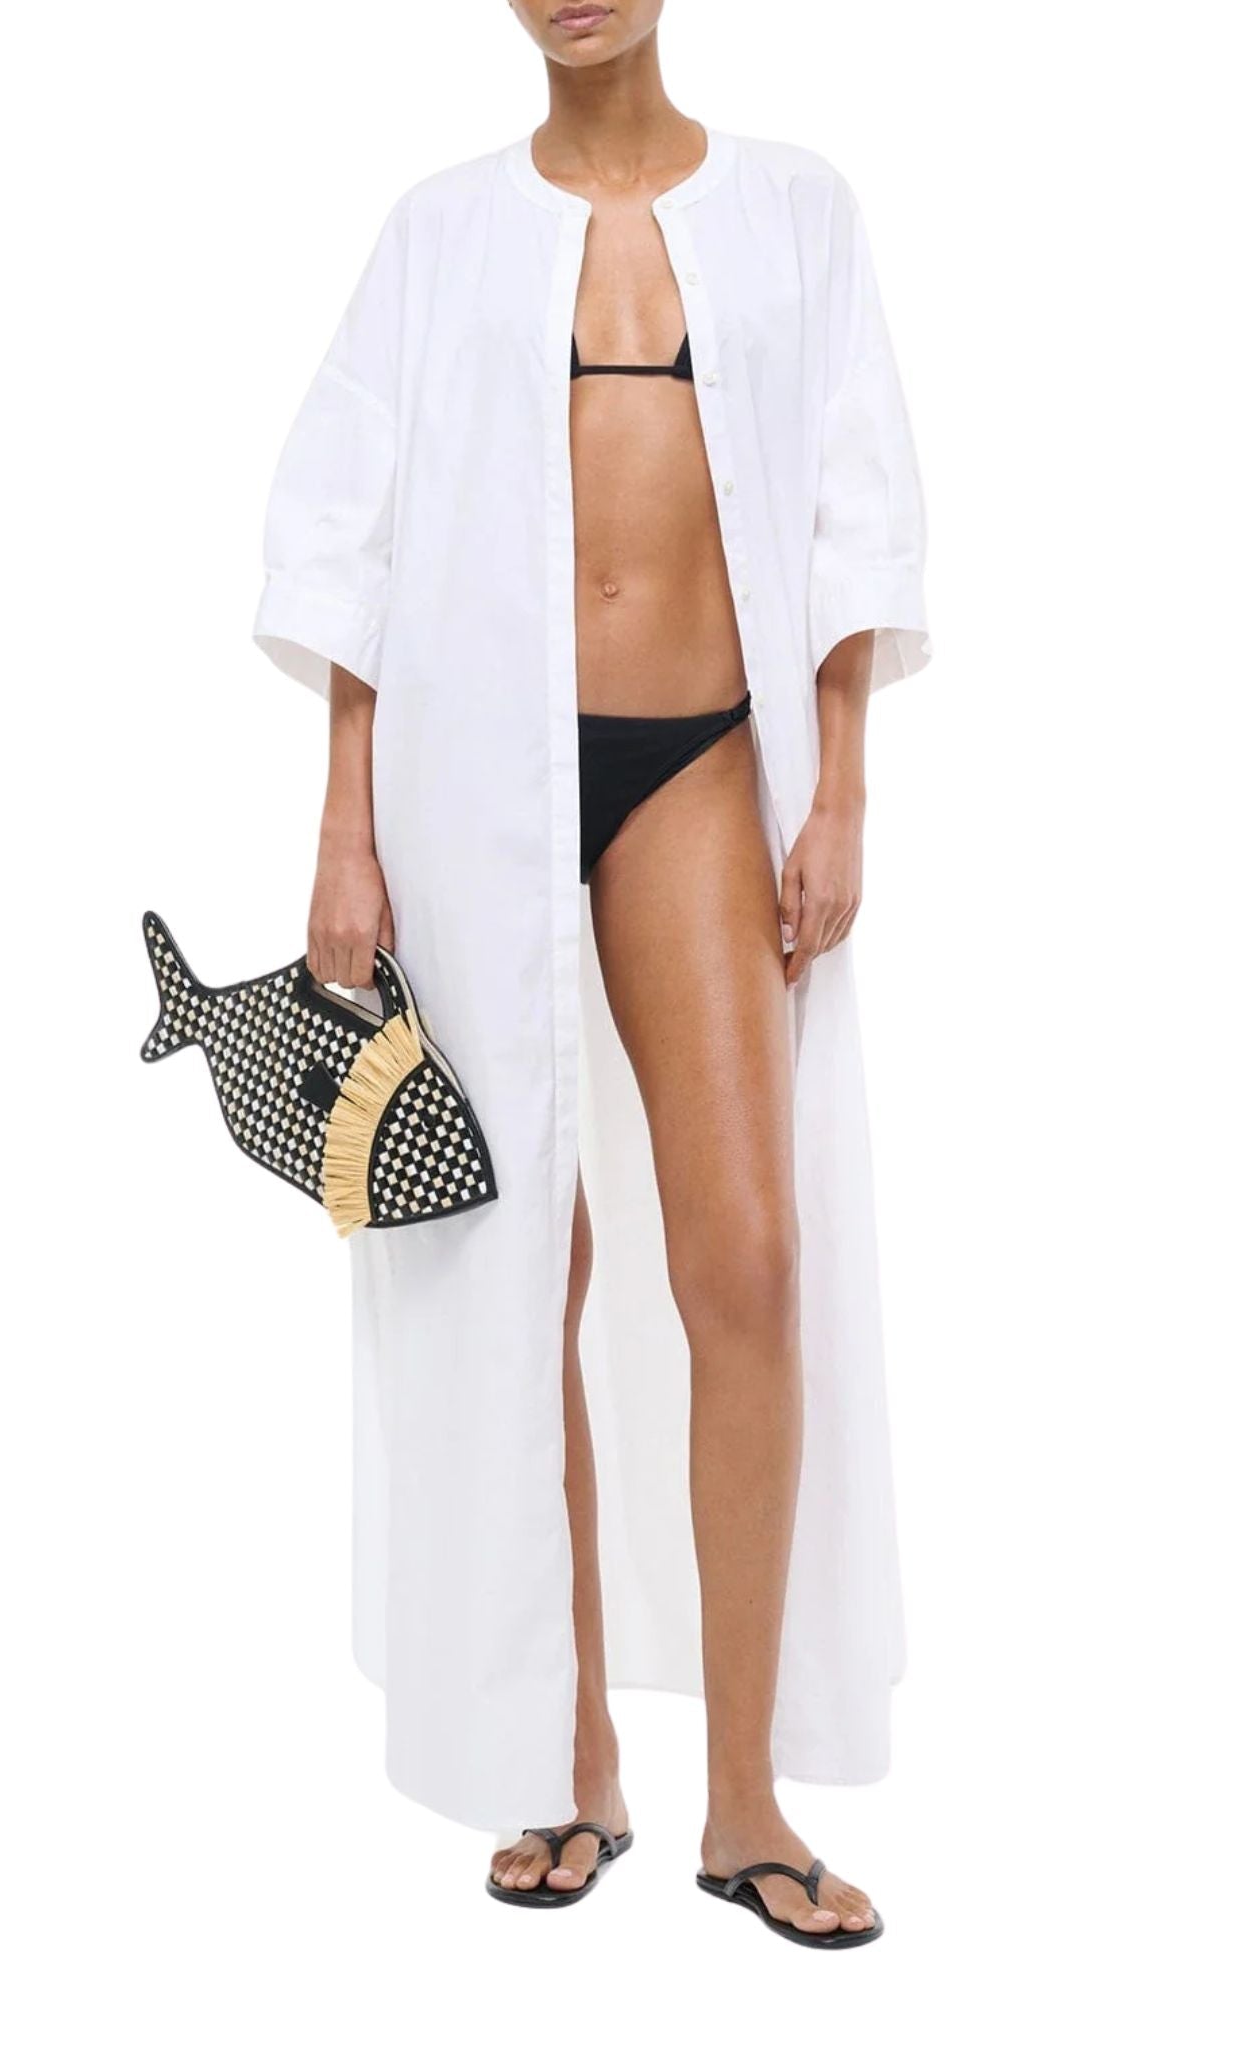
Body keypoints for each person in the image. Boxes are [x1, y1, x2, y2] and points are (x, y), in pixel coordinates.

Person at [253, 0, 930, 1950]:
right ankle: (567, 1760)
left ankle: (746, 1800)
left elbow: (854, 511)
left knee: (748, 1261)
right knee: (509, 1269)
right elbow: (351, 543)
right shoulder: (437, 229)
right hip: (475, 771)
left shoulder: (794, 209)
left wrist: (841, 789)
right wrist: (344, 828)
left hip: (700, 759)